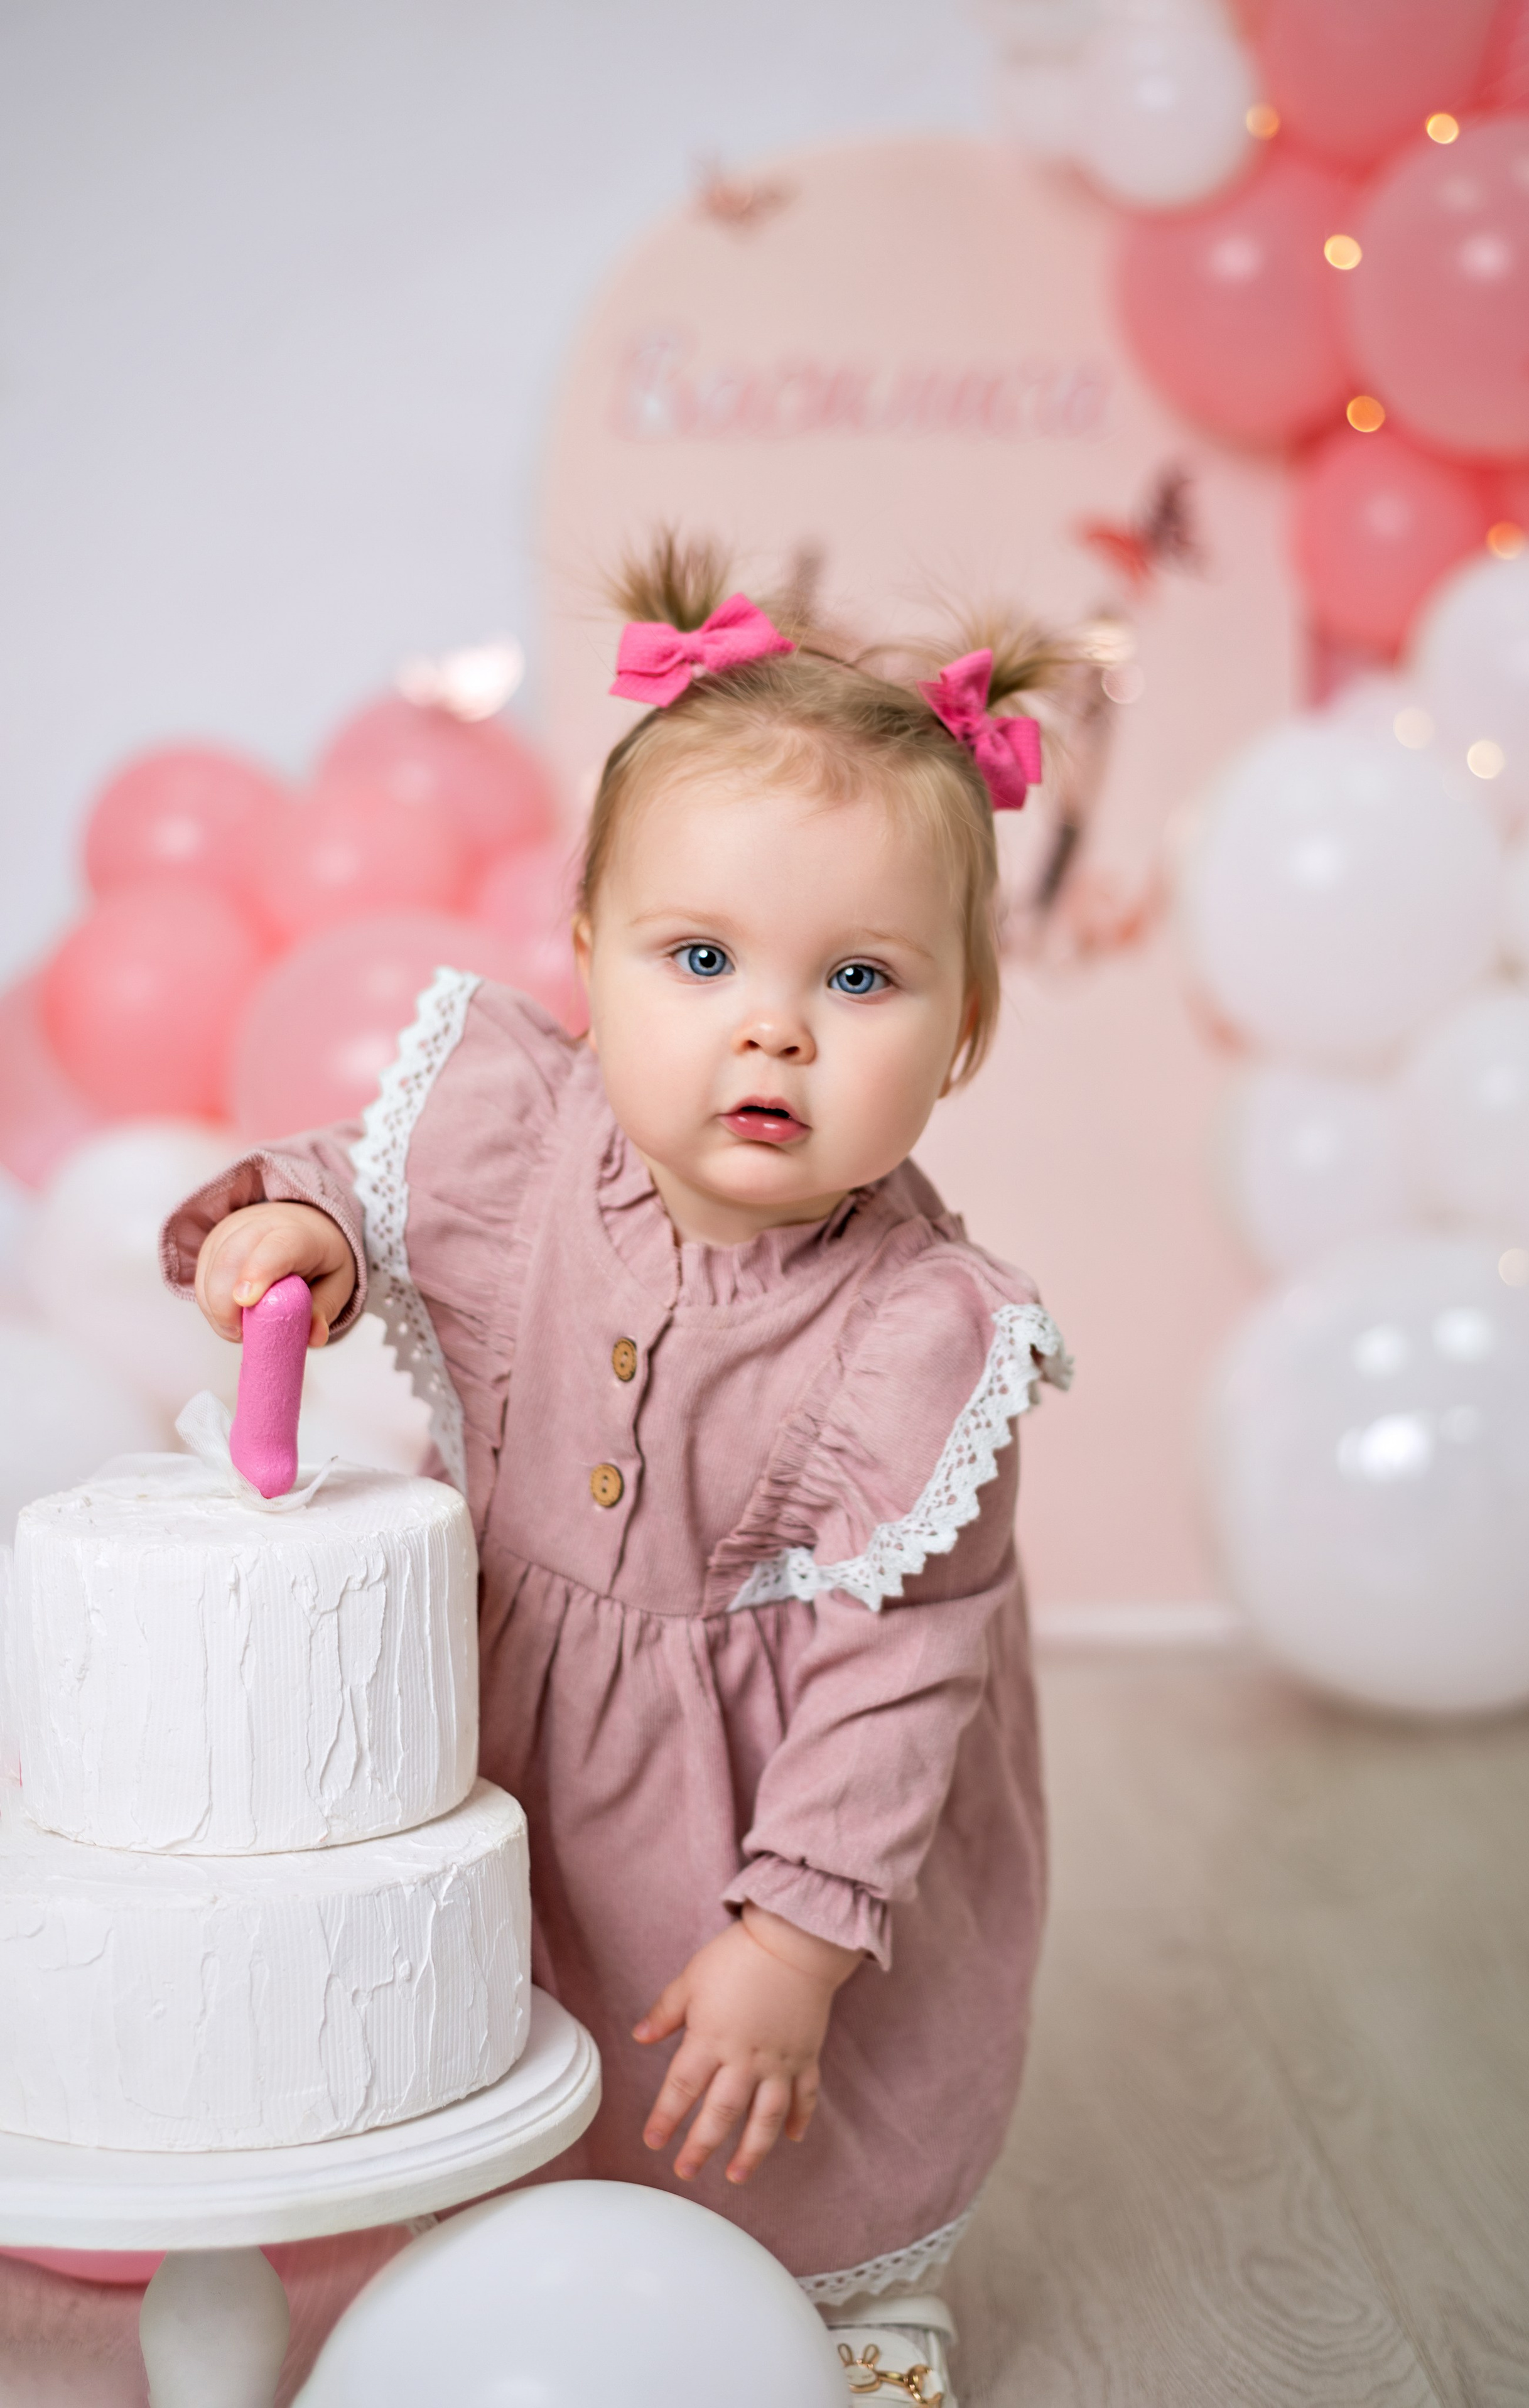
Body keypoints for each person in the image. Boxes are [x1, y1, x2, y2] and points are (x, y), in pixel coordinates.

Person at [163, 536, 1071, 2399]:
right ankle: (503, 2248)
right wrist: (303, 1238)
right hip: (517, 1746)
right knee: (502, 2036)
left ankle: (850, 2298)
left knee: (768, 2084)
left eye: (866, 977)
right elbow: (358, 1176)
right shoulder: (513, 1133)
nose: (775, 1024)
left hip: (770, 1810)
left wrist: (800, 1937)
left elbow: (906, 1675)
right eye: (705, 955)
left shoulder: (920, 1338)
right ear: (588, 958)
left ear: (963, 1030)